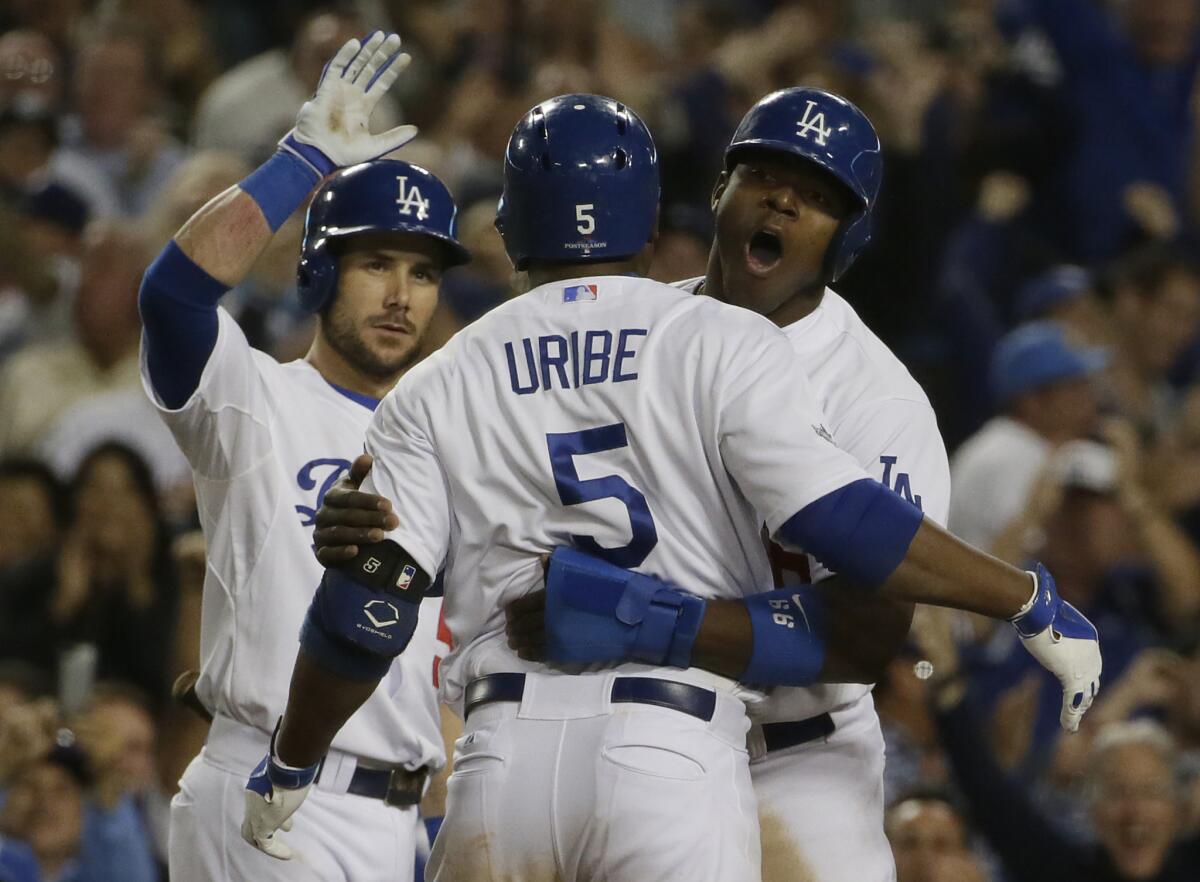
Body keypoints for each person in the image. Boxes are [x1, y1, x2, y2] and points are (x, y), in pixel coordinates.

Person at [245, 89, 1099, 882]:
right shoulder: (700, 337)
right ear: (701, 199)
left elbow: (865, 640)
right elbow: (832, 520)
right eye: (764, 175)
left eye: (816, 194)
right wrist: (1026, 599)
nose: (782, 202)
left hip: (789, 755)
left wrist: (639, 616)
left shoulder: (874, 396)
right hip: (674, 745)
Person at [137, 33, 458, 882]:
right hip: (264, 795)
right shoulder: (256, 399)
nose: (400, 296)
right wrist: (303, 159)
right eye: (377, 264)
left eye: (422, 273)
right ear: (320, 275)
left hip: (402, 814)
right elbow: (172, 299)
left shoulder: (450, 441)